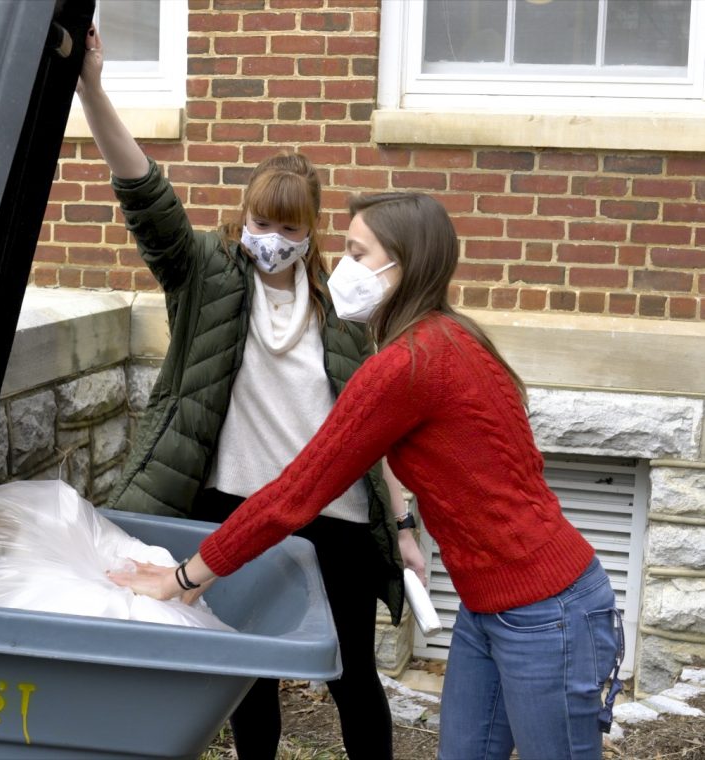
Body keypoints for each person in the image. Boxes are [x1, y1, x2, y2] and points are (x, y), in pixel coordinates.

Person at [110, 190, 626, 760]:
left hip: (545, 613)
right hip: (492, 610)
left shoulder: (411, 363)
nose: (343, 269)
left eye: (358, 253)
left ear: (402, 264)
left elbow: (296, 491)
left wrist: (182, 578)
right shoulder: (452, 338)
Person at [77, 27, 425, 760]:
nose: (270, 236)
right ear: (244, 218)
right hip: (231, 510)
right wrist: (91, 89)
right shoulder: (206, 274)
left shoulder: (346, 305)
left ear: (311, 230)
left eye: (287, 226)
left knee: (352, 677)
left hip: (334, 518)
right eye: (260, 221)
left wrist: (404, 527)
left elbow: (379, 428)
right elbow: (144, 191)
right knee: (250, 676)